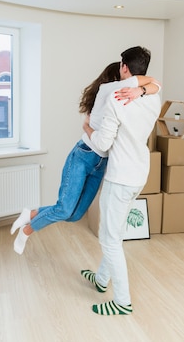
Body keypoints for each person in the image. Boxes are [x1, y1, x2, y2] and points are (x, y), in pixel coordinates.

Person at [11, 61, 162, 255]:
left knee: (75, 215)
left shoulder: (122, 97)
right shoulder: (110, 89)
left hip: (101, 163)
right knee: (65, 209)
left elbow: (154, 86)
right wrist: (141, 88)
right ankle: (27, 230)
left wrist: (140, 91)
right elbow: (155, 82)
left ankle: (30, 213)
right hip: (84, 155)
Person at [80, 46, 161, 316]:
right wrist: (143, 88)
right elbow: (154, 86)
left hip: (121, 176)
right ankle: (102, 279)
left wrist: (88, 128)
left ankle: (123, 302)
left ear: (124, 67)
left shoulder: (116, 98)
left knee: (109, 239)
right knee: (115, 233)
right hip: (139, 173)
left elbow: (103, 144)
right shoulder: (152, 97)